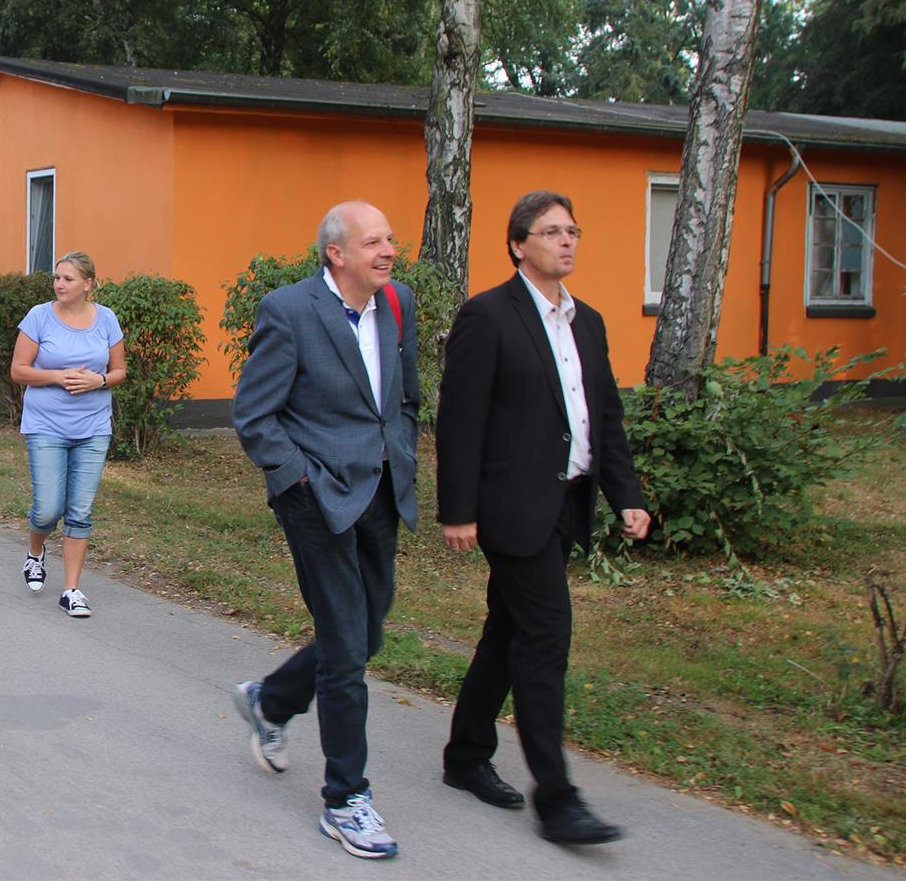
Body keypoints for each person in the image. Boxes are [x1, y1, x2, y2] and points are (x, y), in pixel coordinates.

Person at [435, 190, 650, 845]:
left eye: (573, 230)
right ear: (517, 244)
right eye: (552, 231)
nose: (567, 241)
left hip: (566, 503)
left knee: (508, 630)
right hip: (510, 506)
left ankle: (466, 755)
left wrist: (627, 494)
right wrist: (459, 510)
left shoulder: (588, 323)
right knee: (546, 636)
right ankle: (557, 800)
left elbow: (602, 416)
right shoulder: (488, 316)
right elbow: (460, 419)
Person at [228, 201, 419, 860]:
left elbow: (405, 398)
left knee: (367, 630)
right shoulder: (291, 310)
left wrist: (405, 457)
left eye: (389, 239)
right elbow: (255, 413)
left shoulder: (398, 305)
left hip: (380, 492)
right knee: (345, 647)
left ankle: (271, 700)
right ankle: (346, 800)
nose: (388, 250)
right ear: (336, 253)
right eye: (373, 242)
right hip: (317, 500)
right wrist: (296, 481)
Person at [10, 251, 125, 618]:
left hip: (92, 428)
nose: (59, 284)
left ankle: (72, 590)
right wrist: (58, 377)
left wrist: (99, 380)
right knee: (47, 510)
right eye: (57, 277)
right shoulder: (39, 317)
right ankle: (35, 552)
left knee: (80, 511)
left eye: (68, 279)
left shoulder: (106, 319)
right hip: (46, 425)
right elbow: (18, 370)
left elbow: (119, 370)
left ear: (88, 284)